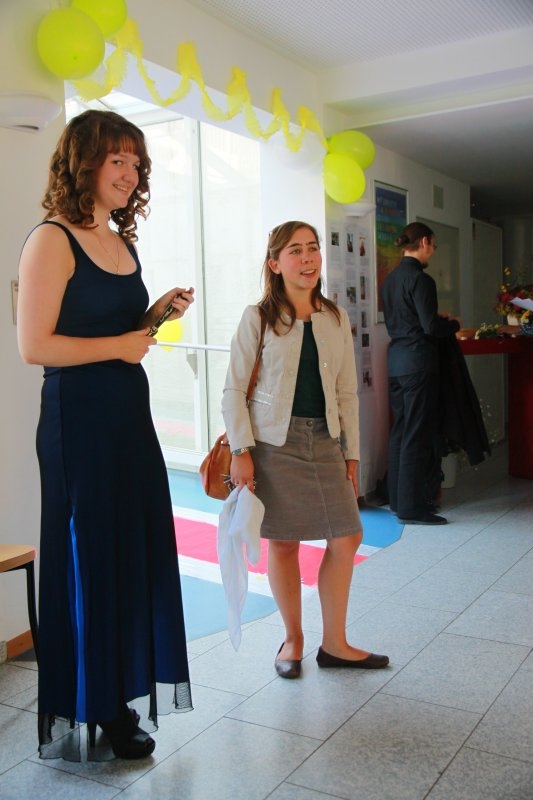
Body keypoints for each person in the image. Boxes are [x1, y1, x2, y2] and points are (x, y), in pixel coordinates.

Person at [17, 110, 194, 761]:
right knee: (89, 558)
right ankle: (100, 705)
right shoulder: (51, 239)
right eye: (118, 159)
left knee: (129, 554)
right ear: (83, 163)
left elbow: (123, 339)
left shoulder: (122, 242)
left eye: (136, 162)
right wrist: (123, 344)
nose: (130, 173)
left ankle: (116, 690)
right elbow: (35, 345)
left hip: (128, 417)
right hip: (78, 422)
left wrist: (154, 316)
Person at [221, 221, 389, 678]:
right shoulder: (257, 317)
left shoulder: (335, 317)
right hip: (274, 443)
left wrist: (352, 454)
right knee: (284, 542)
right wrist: (241, 450)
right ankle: (292, 639)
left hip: (326, 440)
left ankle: (334, 643)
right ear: (275, 264)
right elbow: (233, 389)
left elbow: (347, 392)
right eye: (295, 250)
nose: (308, 257)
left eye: (312, 248)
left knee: (347, 536)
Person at [380, 221, 460, 525]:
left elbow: (409, 317)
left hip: (396, 362)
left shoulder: (390, 280)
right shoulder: (421, 280)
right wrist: (452, 324)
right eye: (434, 245)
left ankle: (398, 501)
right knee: (416, 433)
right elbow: (430, 327)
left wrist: (433, 318)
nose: (433, 251)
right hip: (418, 363)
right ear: (424, 242)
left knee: (400, 431)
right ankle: (411, 508)